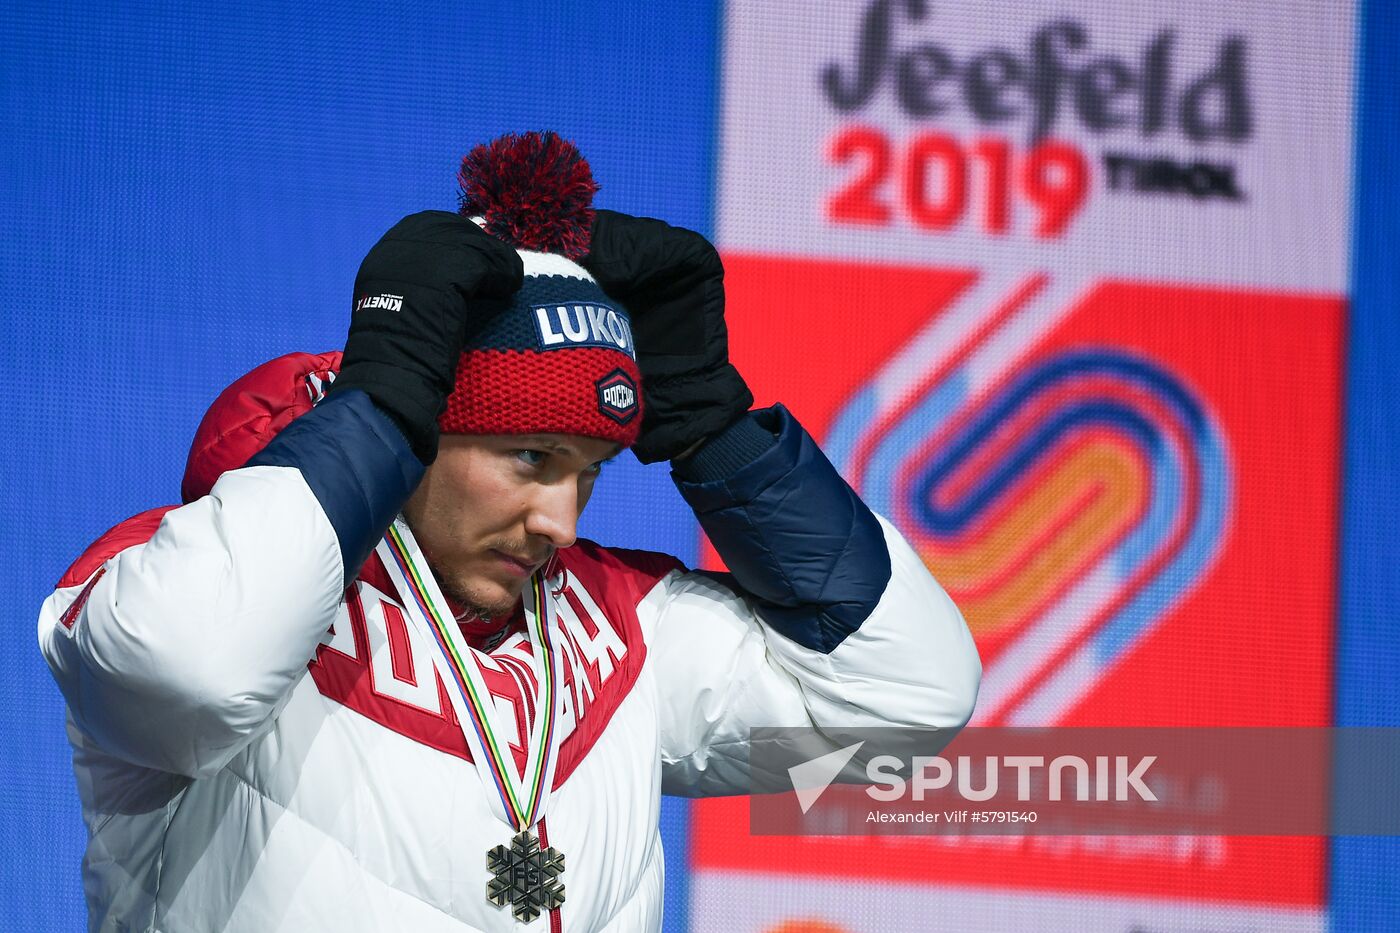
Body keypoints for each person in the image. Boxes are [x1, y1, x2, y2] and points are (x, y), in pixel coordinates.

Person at [38, 132, 980, 932]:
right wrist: (381, 403)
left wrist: (716, 429)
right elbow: (184, 672)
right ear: (419, 426)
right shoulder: (174, 576)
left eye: (590, 470)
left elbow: (906, 697)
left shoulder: (624, 628)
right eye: (530, 457)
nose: (560, 522)